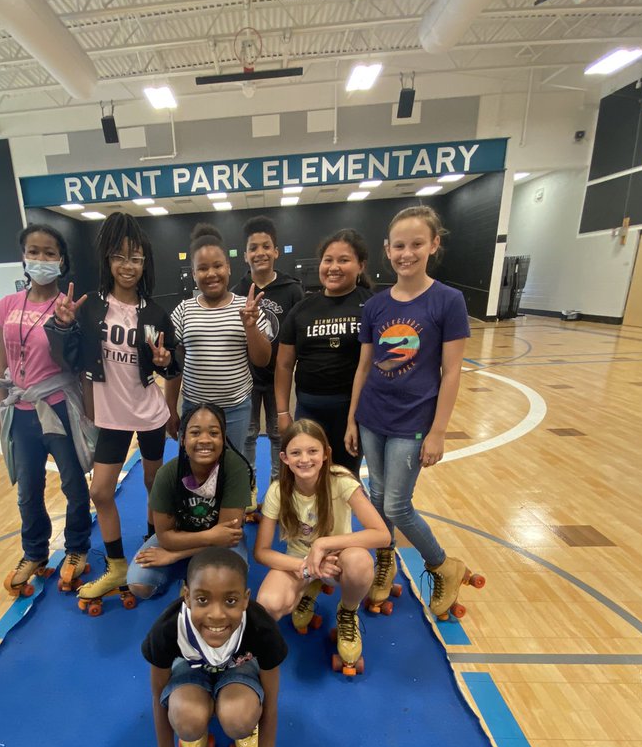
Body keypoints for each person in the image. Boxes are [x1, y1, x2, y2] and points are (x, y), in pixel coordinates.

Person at [344, 206, 481, 620]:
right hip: (372, 418)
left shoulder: (448, 300)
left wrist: (438, 431)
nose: (407, 253)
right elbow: (364, 366)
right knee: (381, 500)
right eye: (399, 245)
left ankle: (443, 565)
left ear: (433, 245)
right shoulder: (376, 306)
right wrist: (352, 418)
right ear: (387, 250)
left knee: (399, 506)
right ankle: (385, 561)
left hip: (413, 423)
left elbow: (452, 370)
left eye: (417, 244)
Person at [45, 212, 179, 606]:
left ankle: (152, 546)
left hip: (149, 412)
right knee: (100, 492)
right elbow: (67, 360)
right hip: (110, 417)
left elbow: (172, 365)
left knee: (155, 486)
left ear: (145, 263)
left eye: (135, 258)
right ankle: (118, 564)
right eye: (120, 257)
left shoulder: (155, 313)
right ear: (107, 259)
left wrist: (164, 361)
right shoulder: (89, 309)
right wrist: (63, 327)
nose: (127, 266)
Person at [143, 547, 286, 747]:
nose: (217, 615)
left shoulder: (261, 629)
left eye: (231, 600)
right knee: (186, 719)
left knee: (237, 719)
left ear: (246, 600)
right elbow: (158, 697)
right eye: (202, 600)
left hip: (238, 668)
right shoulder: (168, 629)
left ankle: (243, 727)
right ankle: (197, 724)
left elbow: (271, 704)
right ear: (186, 596)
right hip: (191, 669)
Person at [0, 224, 92, 597]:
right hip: (20, 410)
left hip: (58, 406)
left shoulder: (67, 306)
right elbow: (1, 365)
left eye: (50, 253)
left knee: (72, 483)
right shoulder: (6, 306)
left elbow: (74, 364)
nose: (41, 259)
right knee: (28, 490)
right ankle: (34, 552)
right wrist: (1, 412)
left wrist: (67, 325)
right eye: (34, 251)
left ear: (61, 261)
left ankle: (77, 546)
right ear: (23, 256)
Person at [254, 419, 390, 676]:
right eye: (296, 453)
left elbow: (382, 535)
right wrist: (305, 567)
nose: (304, 459)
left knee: (360, 562)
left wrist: (323, 544)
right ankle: (309, 586)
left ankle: (348, 612)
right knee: (268, 603)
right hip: (299, 561)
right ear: (284, 458)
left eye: (312, 451)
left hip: (340, 559)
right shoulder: (277, 491)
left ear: (326, 454)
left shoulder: (341, 482)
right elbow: (261, 552)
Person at [127, 402, 251, 601]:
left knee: (226, 583)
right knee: (140, 585)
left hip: (222, 545)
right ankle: (188, 570)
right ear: (183, 440)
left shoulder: (235, 469)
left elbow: (228, 537)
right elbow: (166, 537)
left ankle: (190, 570)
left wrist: (174, 556)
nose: (204, 440)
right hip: (182, 536)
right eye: (195, 433)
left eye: (213, 433)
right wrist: (210, 536)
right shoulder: (167, 474)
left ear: (223, 439)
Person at [168, 223, 272, 457]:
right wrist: (170, 410)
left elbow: (263, 360)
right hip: (194, 408)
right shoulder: (184, 310)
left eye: (217, 266)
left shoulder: (247, 307)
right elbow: (173, 367)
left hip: (236, 409)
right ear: (193, 274)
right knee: (193, 471)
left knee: (233, 467)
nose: (211, 274)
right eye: (202, 268)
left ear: (228, 268)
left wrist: (251, 327)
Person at [274, 229, 371, 474]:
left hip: (352, 411)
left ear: (361, 265)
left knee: (345, 477)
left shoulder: (372, 306)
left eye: (343, 260)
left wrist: (356, 418)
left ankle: (341, 515)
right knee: (308, 475)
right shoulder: (303, 309)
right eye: (328, 260)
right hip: (309, 410)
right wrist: (283, 412)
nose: (334, 267)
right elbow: (284, 365)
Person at [235, 216, 303, 510]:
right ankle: (248, 490)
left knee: (279, 436)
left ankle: (278, 491)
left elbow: (297, 336)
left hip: (279, 379)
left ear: (276, 251)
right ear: (245, 253)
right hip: (246, 378)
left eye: (266, 246)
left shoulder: (292, 290)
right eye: (253, 248)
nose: (259, 252)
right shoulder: (236, 290)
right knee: (247, 436)